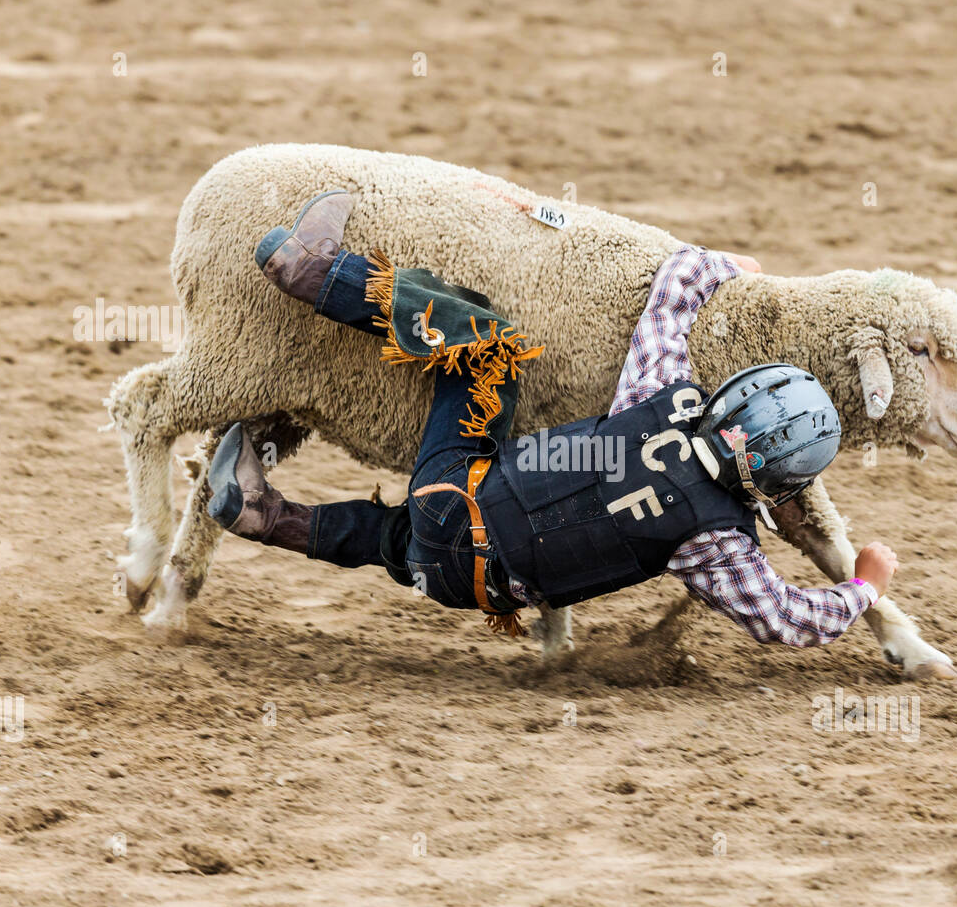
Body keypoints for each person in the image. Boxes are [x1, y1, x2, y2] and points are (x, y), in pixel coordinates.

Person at [207, 190, 898, 644]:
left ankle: (319, 274)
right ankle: (261, 515)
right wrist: (862, 586)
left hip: (454, 501)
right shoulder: (718, 543)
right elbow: (784, 622)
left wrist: (725, 268)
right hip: (474, 588)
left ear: (731, 400)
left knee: (487, 348)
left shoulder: (660, 401)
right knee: (412, 546)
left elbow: (674, 290)